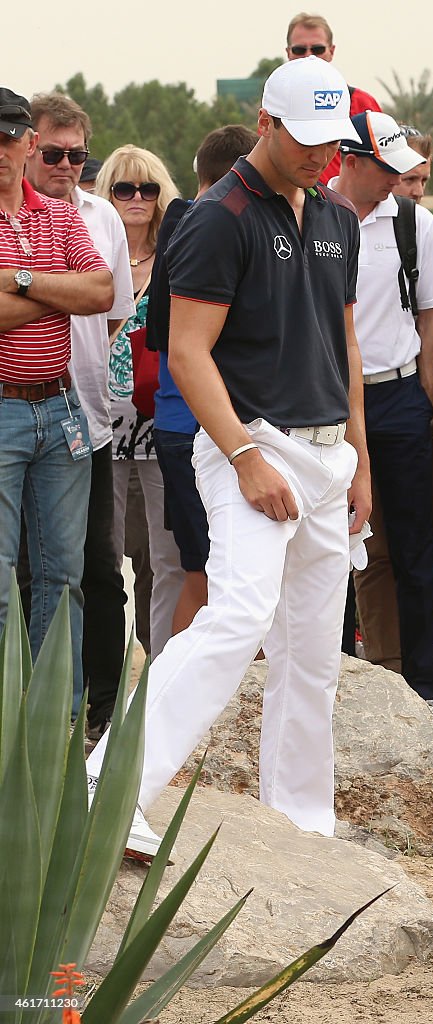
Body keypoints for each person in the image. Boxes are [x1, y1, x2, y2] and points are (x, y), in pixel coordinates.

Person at [86, 56, 370, 858]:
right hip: (251, 445)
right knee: (237, 619)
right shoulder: (216, 217)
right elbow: (186, 354)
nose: (323, 157)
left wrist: (360, 460)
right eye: (308, 141)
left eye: (333, 143)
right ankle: (108, 789)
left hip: (324, 456)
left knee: (312, 652)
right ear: (266, 127)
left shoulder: (336, 216)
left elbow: (342, 342)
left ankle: (301, 822)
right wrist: (245, 455)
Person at [24, 93, 135, 741]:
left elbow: (111, 308)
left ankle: (102, 711)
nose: (67, 166)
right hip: (21, 414)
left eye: (78, 155)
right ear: (26, 147)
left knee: (98, 567)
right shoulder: (12, 219)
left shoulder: (103, 219)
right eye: (54, 153)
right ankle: (31, 706)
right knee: (25, 570)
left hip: (87, 419)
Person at [332, 110, 433, 700]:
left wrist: (422, 396)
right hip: (326, 409)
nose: (395, 180)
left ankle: (425, 689)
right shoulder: (308, 214)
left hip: (398, 398)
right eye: (386, 169)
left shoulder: (413, 221)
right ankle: (332, 682)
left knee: (413, 550)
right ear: (350, 161)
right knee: (330, 551)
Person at [0, 87, 114, 713]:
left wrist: (21, 280)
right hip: (5, 407)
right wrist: (58, 289)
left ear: (26, 142)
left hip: (61, 407)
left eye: (10, 137)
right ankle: (5, 733)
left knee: (62, 579)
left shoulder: (62, 214)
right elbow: (81, 290)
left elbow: (99, 291)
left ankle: (58, 729)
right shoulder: (61, 221)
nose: (3, 150)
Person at [147, 125, 259, 634]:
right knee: (214, 579)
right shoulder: (207, 231)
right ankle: (192, 706)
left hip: (182, 424)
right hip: (201, 426)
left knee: (209, 573)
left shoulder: (180, 225)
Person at [96, 145, 184, 660]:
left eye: (147, 188)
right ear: (107, 194)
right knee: (104, 558)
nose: (136, 198)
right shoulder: (90, 247)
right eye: (124, 188)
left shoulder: (175, 251)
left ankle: (161, 667)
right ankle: (105, 681)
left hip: (162, 423)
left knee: (162, 557)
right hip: (101, 422)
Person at [285, 11, 380, 184]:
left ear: (331, 51)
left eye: (317, 49)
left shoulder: (361, 102)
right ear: (288, 53)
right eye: (299, 49)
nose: (309, 56)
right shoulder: (277, 105)